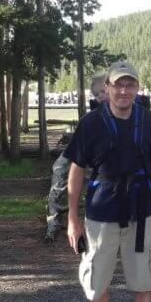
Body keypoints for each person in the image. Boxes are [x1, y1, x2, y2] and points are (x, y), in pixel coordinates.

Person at [66, 61, 151, 302]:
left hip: (142, 214)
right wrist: (72, 219)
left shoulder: (148, 121)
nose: (124, 91)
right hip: (101, 216)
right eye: (118, 85)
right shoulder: (91, 123)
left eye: (130, 85)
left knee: (144, 280)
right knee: (97, 280)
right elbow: (76, 170)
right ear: (108, 88)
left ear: (137, 89)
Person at [44, 73, 108, 242]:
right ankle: (54, 217)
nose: (101, 96)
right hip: (83, 149)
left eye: (103, 91)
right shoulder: (93, 114)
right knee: (59, 168)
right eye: (96, 94)